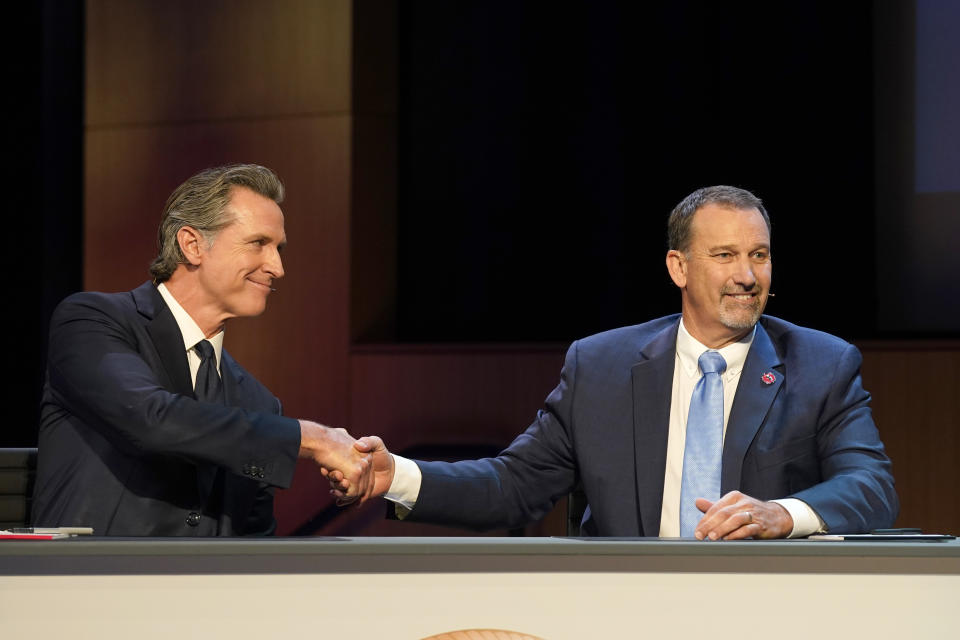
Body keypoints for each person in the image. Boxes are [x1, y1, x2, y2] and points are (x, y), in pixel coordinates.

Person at [345, 185, 899, 540]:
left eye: (759, 255)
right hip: (624, 605)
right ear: (678, 267)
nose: (748, 276)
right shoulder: (601, 366)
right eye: (725, 256)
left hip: (762, 609)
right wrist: (401, 476)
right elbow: (516, 486)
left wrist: (782, 514)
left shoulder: (821, 364)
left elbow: (871, 484)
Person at [33, 163, 368, 536]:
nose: (278, 267)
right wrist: (312, 438)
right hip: (83, 585)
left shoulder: (258, 402)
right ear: (192, 245)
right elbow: (149, 419)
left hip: (207, 592)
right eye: (259, 243)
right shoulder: (93, 321)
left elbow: (254, 545)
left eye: (278, 248)